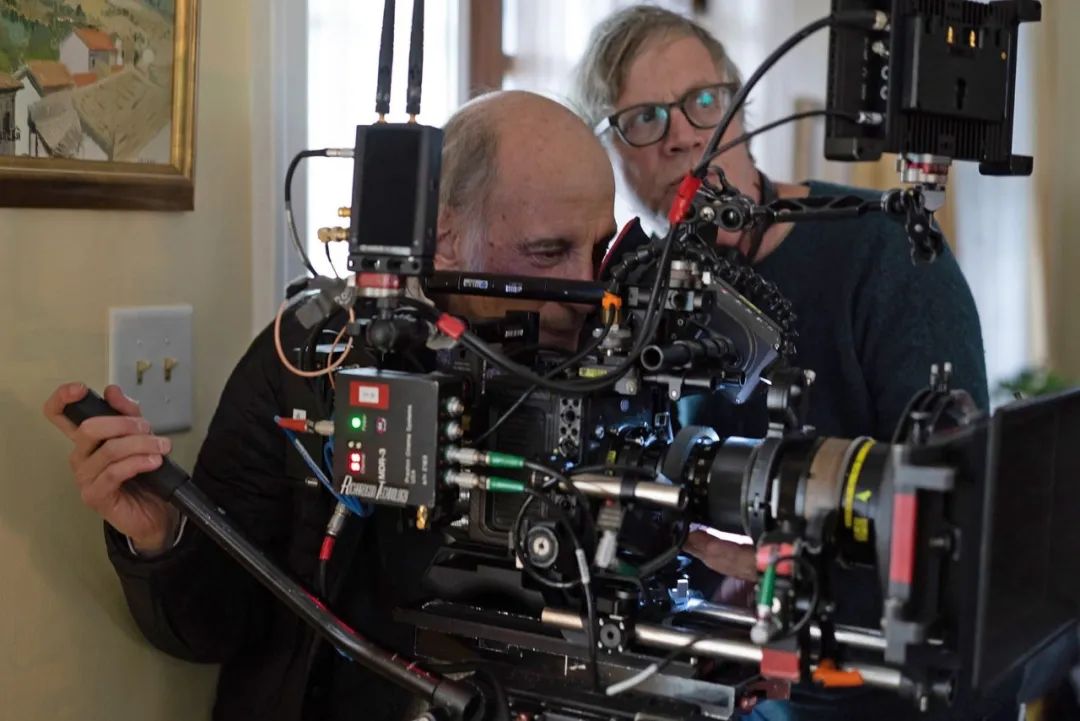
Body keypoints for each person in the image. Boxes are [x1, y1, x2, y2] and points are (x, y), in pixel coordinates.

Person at [43, 90, 619, 721]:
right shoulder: (313, 357)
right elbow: (214, 625)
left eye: (602, 250)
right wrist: (162, 538)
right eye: (549, 252)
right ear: (445, 237)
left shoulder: (630, 376)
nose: (587, 287)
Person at [572, 6, 996, 721]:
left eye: (705, 101)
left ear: (741, 110)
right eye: (644, 119)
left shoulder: (883, 251)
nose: (684, 135)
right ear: (611, 152)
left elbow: (959, 515)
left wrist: (797, 570)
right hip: (720, 678)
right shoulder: (628, 302)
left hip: (886, 688)